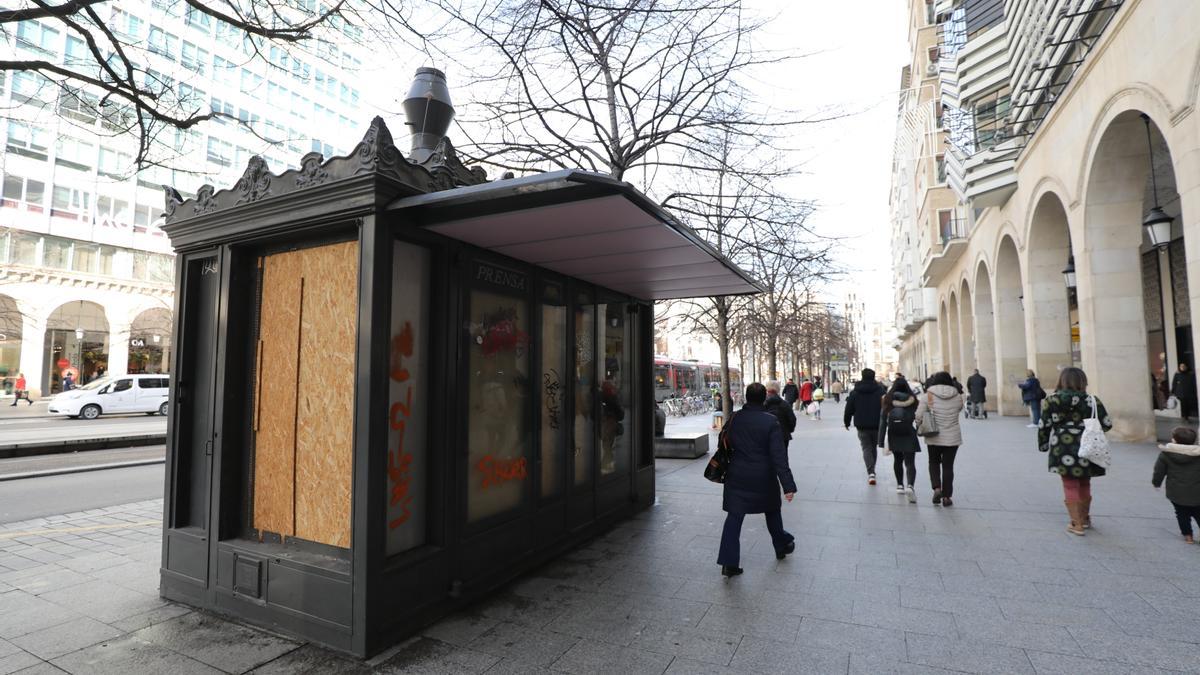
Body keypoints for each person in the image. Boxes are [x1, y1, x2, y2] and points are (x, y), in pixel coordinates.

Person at [717, 382, 797, 577]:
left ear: (746, 397)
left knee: (734, 518)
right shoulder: (770, 422)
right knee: (772, 512)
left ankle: (729, 563)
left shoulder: (735, 418)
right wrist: (788, 485)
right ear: (764, 399)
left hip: (737, 475)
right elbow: (779, 456)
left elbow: (723, 440)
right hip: (764, 476)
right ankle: (781, 546)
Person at [1038, 367, 1112, 536]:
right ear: (1082, 382)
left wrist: (1043, 445)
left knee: (1069, 483)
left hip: (1062, 446)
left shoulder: (1052, 400)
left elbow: (1044, 425)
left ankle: (1075, 523)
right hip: (1087, 444)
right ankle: (1085, 519)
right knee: (1085, 481)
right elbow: (1107, 424)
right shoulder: (1092, 400)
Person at [915, 371, 964, 506]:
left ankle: (937, 488)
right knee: (948, 466)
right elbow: (959, 409)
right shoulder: (958, 397)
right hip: (952, 436)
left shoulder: (928, 396)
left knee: (934, 462)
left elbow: (919, 415)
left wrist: (919, 425)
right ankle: (947, 497)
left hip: (933, 434)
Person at [1153, 426, 1200, 544]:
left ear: (1175, 440)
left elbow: (1159, 471)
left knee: (1181, 514)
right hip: (1197, 491)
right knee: (1198, 512)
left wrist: (1156, 483)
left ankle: (1188, 536)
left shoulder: (1166, 454)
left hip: (1176, 491)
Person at [879, 376, 920, 503]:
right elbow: (918, 417)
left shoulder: (888, 400)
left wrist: (881, 440)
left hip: (894, 433)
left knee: (897, 460)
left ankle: (900, 485)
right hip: (909, 432)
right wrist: (919, 430)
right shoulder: (913, 400)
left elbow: (883, 421)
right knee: (910, 462)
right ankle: (910, 486)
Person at [844, 368, 885, 485]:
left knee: (866, 447)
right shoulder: (880, 391)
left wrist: (846, 422)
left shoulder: (855, 392)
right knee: (873, 447)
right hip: (877, 424)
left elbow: (849, 409)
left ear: (862, 376)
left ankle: (871, 472)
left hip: (861, 425)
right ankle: (872, 470)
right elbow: (885, 407)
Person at [764, 381, 797, 447]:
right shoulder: (785, 404)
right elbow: (792, 419)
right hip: (783, 435)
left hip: (766, 435)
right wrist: (788, 430)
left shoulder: (762, 404)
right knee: (782, 455)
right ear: (778, 389)